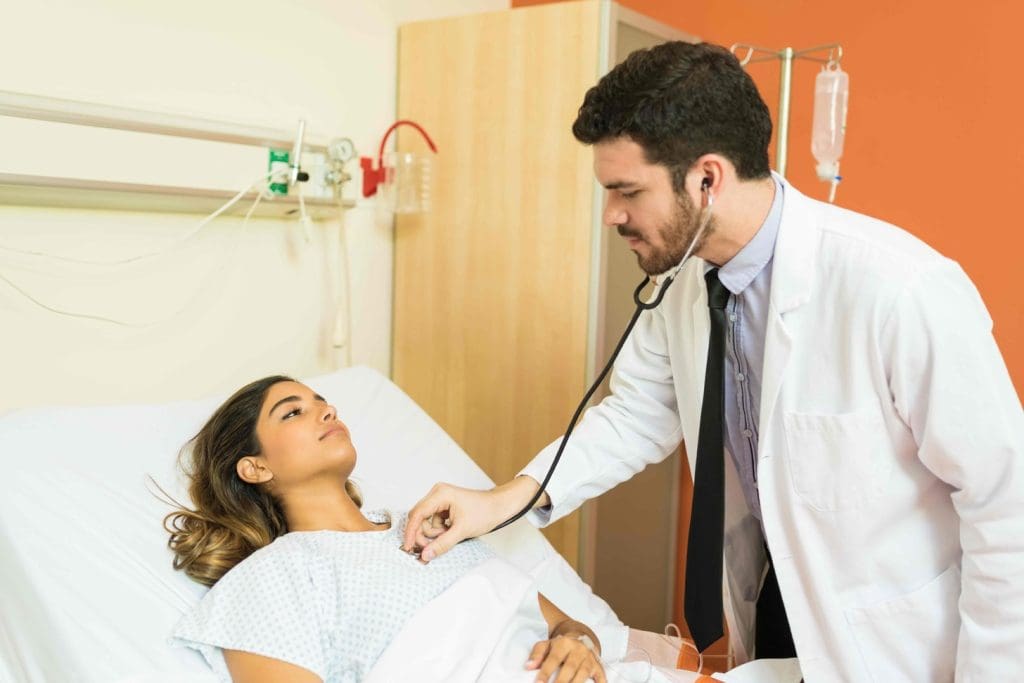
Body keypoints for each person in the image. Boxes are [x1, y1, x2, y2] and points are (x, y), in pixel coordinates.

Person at [403, 41, 1024, 680]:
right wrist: (504, 499)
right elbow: (638, 416)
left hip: (899, 640)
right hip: (776, 606)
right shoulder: (686, 283)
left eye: (627, 192)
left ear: (707, 178)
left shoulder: (899, 289)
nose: (612, 214)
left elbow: (1006, 502)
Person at [163, 375, 607, 683]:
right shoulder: (272, 576)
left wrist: (577, 644)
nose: (325, 410)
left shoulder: (429, 526)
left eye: (322, 401)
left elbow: (567, 625)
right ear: (255, 467)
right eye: (293, 412)